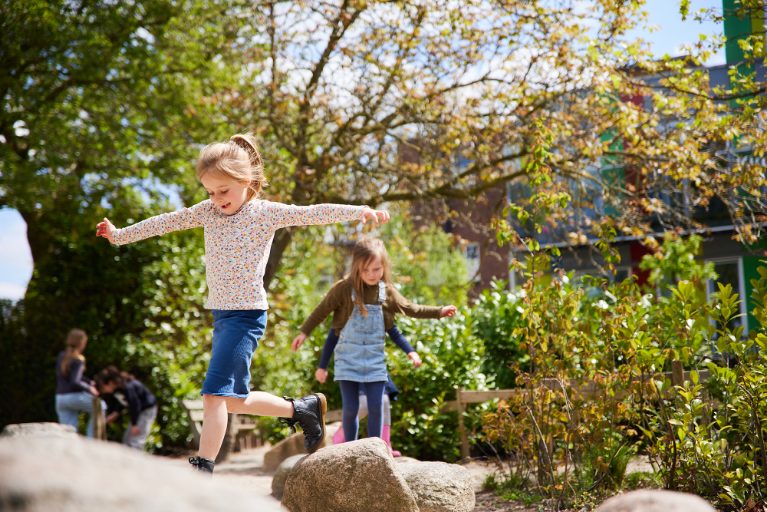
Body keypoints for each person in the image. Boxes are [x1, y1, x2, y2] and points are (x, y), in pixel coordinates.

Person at [96, 133, 389, 474]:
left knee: (212, 395)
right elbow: (164, 222)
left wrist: (359, 211)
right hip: (222, 315)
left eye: (224, 191)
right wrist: (120, 235)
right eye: (210, 191)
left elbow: (312, 213)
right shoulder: (207, 212)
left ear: (245, 182)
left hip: (247, 315)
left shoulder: (264, 213)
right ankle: (302, 409)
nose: (217, 199)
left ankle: (202, 466)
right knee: (232, 401)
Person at [292, 237, 456, 446]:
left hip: (375, 361)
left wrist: (439, 312)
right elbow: (323, 314)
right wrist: (305, 335)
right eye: (366, 270)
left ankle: (375, 448)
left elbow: (411, 309)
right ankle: (350, 448)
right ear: (357, 268)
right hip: (348, 359)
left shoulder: (387, 293)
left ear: (384, 267)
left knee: (377, 406)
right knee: (350, 408)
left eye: (376, 269)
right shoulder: (344, 289)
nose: (371, 275)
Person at [96, 366, 158, 451]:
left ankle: (137, 462)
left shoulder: (127, 387)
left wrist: (134, 424)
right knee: (127, 439)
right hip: (138, 412)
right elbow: (123, 401)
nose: (103, 391)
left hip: (146, 410)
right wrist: (116, 412)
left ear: (110, 382)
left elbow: (135, 404)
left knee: (135, 439)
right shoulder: (118, 388)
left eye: (103, 388)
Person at [55, 328, 102, 437]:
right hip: (73, 397)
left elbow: (72, 376)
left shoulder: (62, 355)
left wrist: (89, 382)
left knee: (68, 432)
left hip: (60, 398)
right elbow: (75, 381)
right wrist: (90, 388)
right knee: (101, 407)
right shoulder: (78, 359)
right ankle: (92, 442)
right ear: (82, 343)